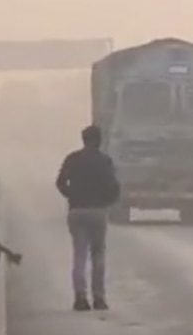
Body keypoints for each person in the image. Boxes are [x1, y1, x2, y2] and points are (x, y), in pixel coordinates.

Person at [56, 125, 120, 311]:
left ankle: (80, 298)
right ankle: (99, 298)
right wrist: (107, 202)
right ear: (99, 140)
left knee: (79, 255)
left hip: (77, 211)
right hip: (98, 211)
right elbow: (114, 187)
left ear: (83, 139)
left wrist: (71, 196)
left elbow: (60, 182)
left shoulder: (72, 159)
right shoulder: (105, 161)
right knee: (98, 255)